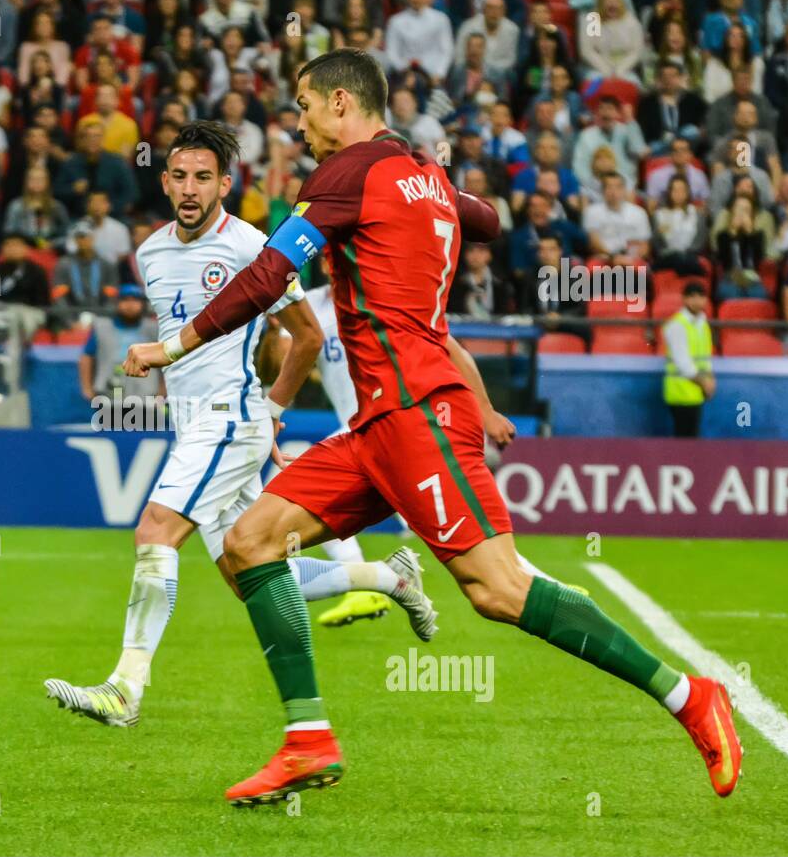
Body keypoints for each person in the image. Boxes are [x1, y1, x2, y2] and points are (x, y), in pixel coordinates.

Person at [122, 49, 740, 805]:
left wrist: (172, 344)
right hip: (377, 424)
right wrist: (436, 185)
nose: (302, 123)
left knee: (498, 588)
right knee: (249, 544)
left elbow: (268, 277)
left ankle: (689, 695)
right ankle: (308, 738)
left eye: (308, 107)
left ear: (343, 104)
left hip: (419, 413)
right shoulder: (419, 174)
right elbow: (484, 216)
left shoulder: (345, 174)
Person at [44, 121, 430, 729]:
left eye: (204, 177)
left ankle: (125, 687)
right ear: (165, 182)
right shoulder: (149, 253)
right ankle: (390, 576)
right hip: (194, 423)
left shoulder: (254, 247)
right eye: (179, 176)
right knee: (251, 571)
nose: (190, 188)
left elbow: (305, 337)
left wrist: (270, 414)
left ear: (225, 183)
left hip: (232, 420)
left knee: (154, 530)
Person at [661, 281, 715, 438]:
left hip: (696, 392)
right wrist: (705, 382)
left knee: (691, 438)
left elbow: (705, 357)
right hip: (680, 392)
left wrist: (710, 378)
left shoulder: (702, 324)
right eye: (692, 297)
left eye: (701, 296)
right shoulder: (676, 325)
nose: (697, 301)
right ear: (684, 299)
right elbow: (682, 362)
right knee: (684, 440)